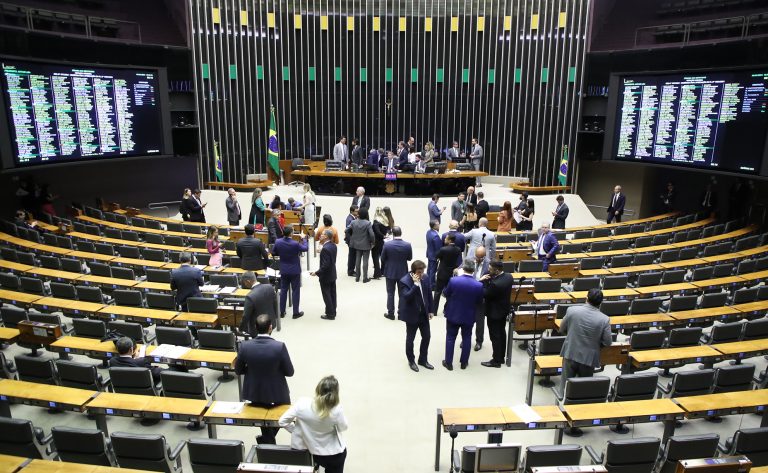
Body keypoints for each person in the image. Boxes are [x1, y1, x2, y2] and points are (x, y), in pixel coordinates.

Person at [235, 314, 295, 444]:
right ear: (270, 327)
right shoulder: (279, 347)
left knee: (264, 422)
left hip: (256, 393)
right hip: (278, 393)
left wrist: (251, 370)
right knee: (283, 417)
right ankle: (268, 444)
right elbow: (289, 372)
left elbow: (238, 370)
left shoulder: (245, 346)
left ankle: (266, 441)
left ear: (256, 328)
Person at [278, 375, 348, 473]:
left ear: (318, 388)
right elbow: (343, 428)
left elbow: (282, 421)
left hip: (304, 450)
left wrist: (296, 431)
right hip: (332, 453)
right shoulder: (337, 409)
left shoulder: (302, 403)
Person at [559, 288, 612, 397]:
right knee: (583, 388)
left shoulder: (572, 310)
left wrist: (571, 335)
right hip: (589, 358)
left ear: (586, 298)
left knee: (565, 385)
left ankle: (561, 403)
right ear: (600, 303)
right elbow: (608, 342)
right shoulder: (604, 319)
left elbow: (561, 329)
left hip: (570, 352)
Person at [442, 258, 484, 370]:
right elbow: (480, 302)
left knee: (450, 337)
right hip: (469, 315)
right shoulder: (479, 285)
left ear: (463, 268)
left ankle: (448, 362)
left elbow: (446, 293)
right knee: (467, 338)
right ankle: (464, 363)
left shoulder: (453, 280)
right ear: (473, 270)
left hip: (453, 313)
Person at [398, 260, 434, 372]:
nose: (421, 274)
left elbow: (428, 294)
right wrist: (415, 284)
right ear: (413, 272)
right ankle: (411, 361)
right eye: (419, 272)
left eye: (423, 271)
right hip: (412, 315)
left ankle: (423, 359)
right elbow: (406, 297)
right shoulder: (404, 281)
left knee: (427, 336)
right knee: (410, 339)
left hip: (423, 314)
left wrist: (431, 310)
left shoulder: (425, 277)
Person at [479, 260, 513, 367]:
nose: (488, 270)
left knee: (495, 337)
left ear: (497, 270)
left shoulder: (495, 284)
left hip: (494, 313)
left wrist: (483, 282)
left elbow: (485, 293)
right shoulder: (508, 277)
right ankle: (501, 357)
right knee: (502, 334)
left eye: (490, 269)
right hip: (503, 310)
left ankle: (496, 361)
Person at [272, 225, 309, 319]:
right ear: (291, 233)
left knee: (283, 290)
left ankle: (282, 311)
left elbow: (274, 252)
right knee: (295, 291)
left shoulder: (278, 241)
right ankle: (295, 312)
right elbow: (305, 248)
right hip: (294, 270)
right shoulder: (295, 244)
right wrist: (304, 238)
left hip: (283, 269)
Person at [381, 226, 412, 320]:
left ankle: (391, 313)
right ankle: (401, 313)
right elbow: (409, 258)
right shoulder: (407, 245)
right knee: (402, 293)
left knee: (390, 293)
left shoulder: (387, 245)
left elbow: (382, 258)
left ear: (392, 234)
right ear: (401, 233)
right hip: (403, 272)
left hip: (390, 272)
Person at [432, 233, 463, 314]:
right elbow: (459, 261)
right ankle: (446, 309)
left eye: (446, 239)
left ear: (449, 240)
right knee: (449, 292)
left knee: (437, 292)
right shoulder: (458, 249)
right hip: (451, 274)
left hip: (442, 273)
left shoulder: (443, 249)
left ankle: (434, 310)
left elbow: (436, 256)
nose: (444, 239)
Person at [311, 229, 338, 320]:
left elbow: (325, 265)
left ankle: (330, 314)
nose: (320, 236)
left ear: (326, 236)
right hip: (332, 273)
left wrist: (316, 273)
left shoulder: (325, 249)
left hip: (326, 276)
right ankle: (333, 310)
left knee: (327, 295)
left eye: (322, 234)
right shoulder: (333, 245)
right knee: (332, 294)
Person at [345, 208, 375, 283]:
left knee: (357, 260)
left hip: (356, 244)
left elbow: (346, 230)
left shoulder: (353, 222)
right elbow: (371, 234)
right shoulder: (368, 223)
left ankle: (357, 277)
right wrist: (373, 242)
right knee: (365, 261)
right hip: (366, 244)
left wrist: (353, 236)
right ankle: (365, 278)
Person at [470, 246, 490, 351]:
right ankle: (466, 339)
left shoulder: (489, 264)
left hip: (480, 297)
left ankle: (479, 341)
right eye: (476, 256)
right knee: (466, 319)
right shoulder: (469, 260)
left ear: (484, 256)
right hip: (468, 295)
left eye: (480, 257)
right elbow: (459, 269)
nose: (477, 259)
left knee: (479, 321)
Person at [371, 207, 393, 279]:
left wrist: (383, 236)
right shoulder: (385, 220)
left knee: (375, 257)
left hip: (376, 242)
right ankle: (383, 271)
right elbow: (389, 229)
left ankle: (377, 274)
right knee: (383, 257)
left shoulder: (376, 222)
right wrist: (386, 236)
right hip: (384, 242)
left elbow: (377, 232)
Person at [425, 220, 442, 287]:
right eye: (438, 224)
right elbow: (438, 248)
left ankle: (428, 282)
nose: (439, 225)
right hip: (434, 256)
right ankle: (431, 285)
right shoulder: (435, 236)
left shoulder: (428, 232)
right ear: (434, 226)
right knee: (433, 270)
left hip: (429, 253)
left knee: (429, 269)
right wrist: (439, 257)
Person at [345, 206, 358, 277]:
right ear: (352, 211)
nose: (357, 212)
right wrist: (350, 242)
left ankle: (351, 269)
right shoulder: (350, 219)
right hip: (351, 241)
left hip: (353, 240)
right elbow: (348, 231)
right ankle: (350, 271)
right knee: (352, 256)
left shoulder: (353, 218)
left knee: (353, 256)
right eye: (356, 211)